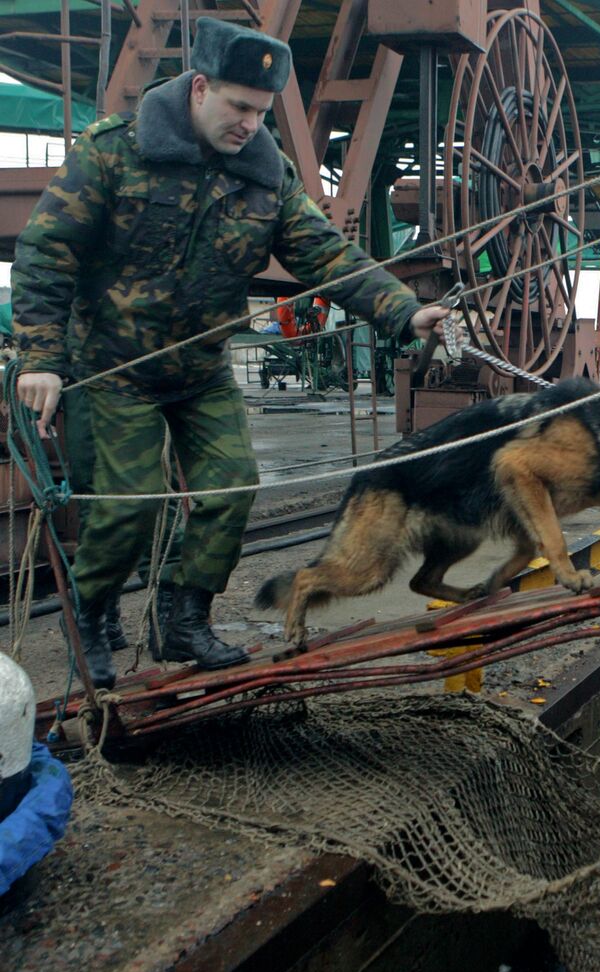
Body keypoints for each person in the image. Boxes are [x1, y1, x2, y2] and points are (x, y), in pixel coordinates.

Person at [11, 18, 449, 689]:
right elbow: (48, 248)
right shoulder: (114, 152)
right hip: (114, 370)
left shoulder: (264, 177)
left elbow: (326, 254)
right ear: (198, 88)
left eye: (260, 112)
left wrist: (402, 309)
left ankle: (183, 620)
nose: (248, 123)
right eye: (238, 107)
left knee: (231, 487)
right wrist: (42, 358)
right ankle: (93, 621)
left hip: (201, 372)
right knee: (127, 506)